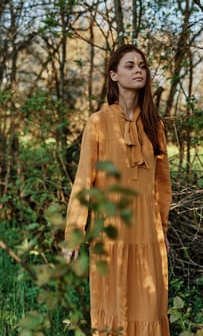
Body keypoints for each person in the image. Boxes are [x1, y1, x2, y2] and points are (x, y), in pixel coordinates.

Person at [63, 44, 172, 335]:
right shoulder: (98, 122)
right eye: (130, 65)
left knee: (150, 307)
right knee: (112, 308)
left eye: (142, 65)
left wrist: (162, 229)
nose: (139, 70)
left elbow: (163, 185)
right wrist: (75, 232)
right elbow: (84, 180)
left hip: (148, 233)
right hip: (111, 232)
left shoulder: (154, 125)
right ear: (114, 75)